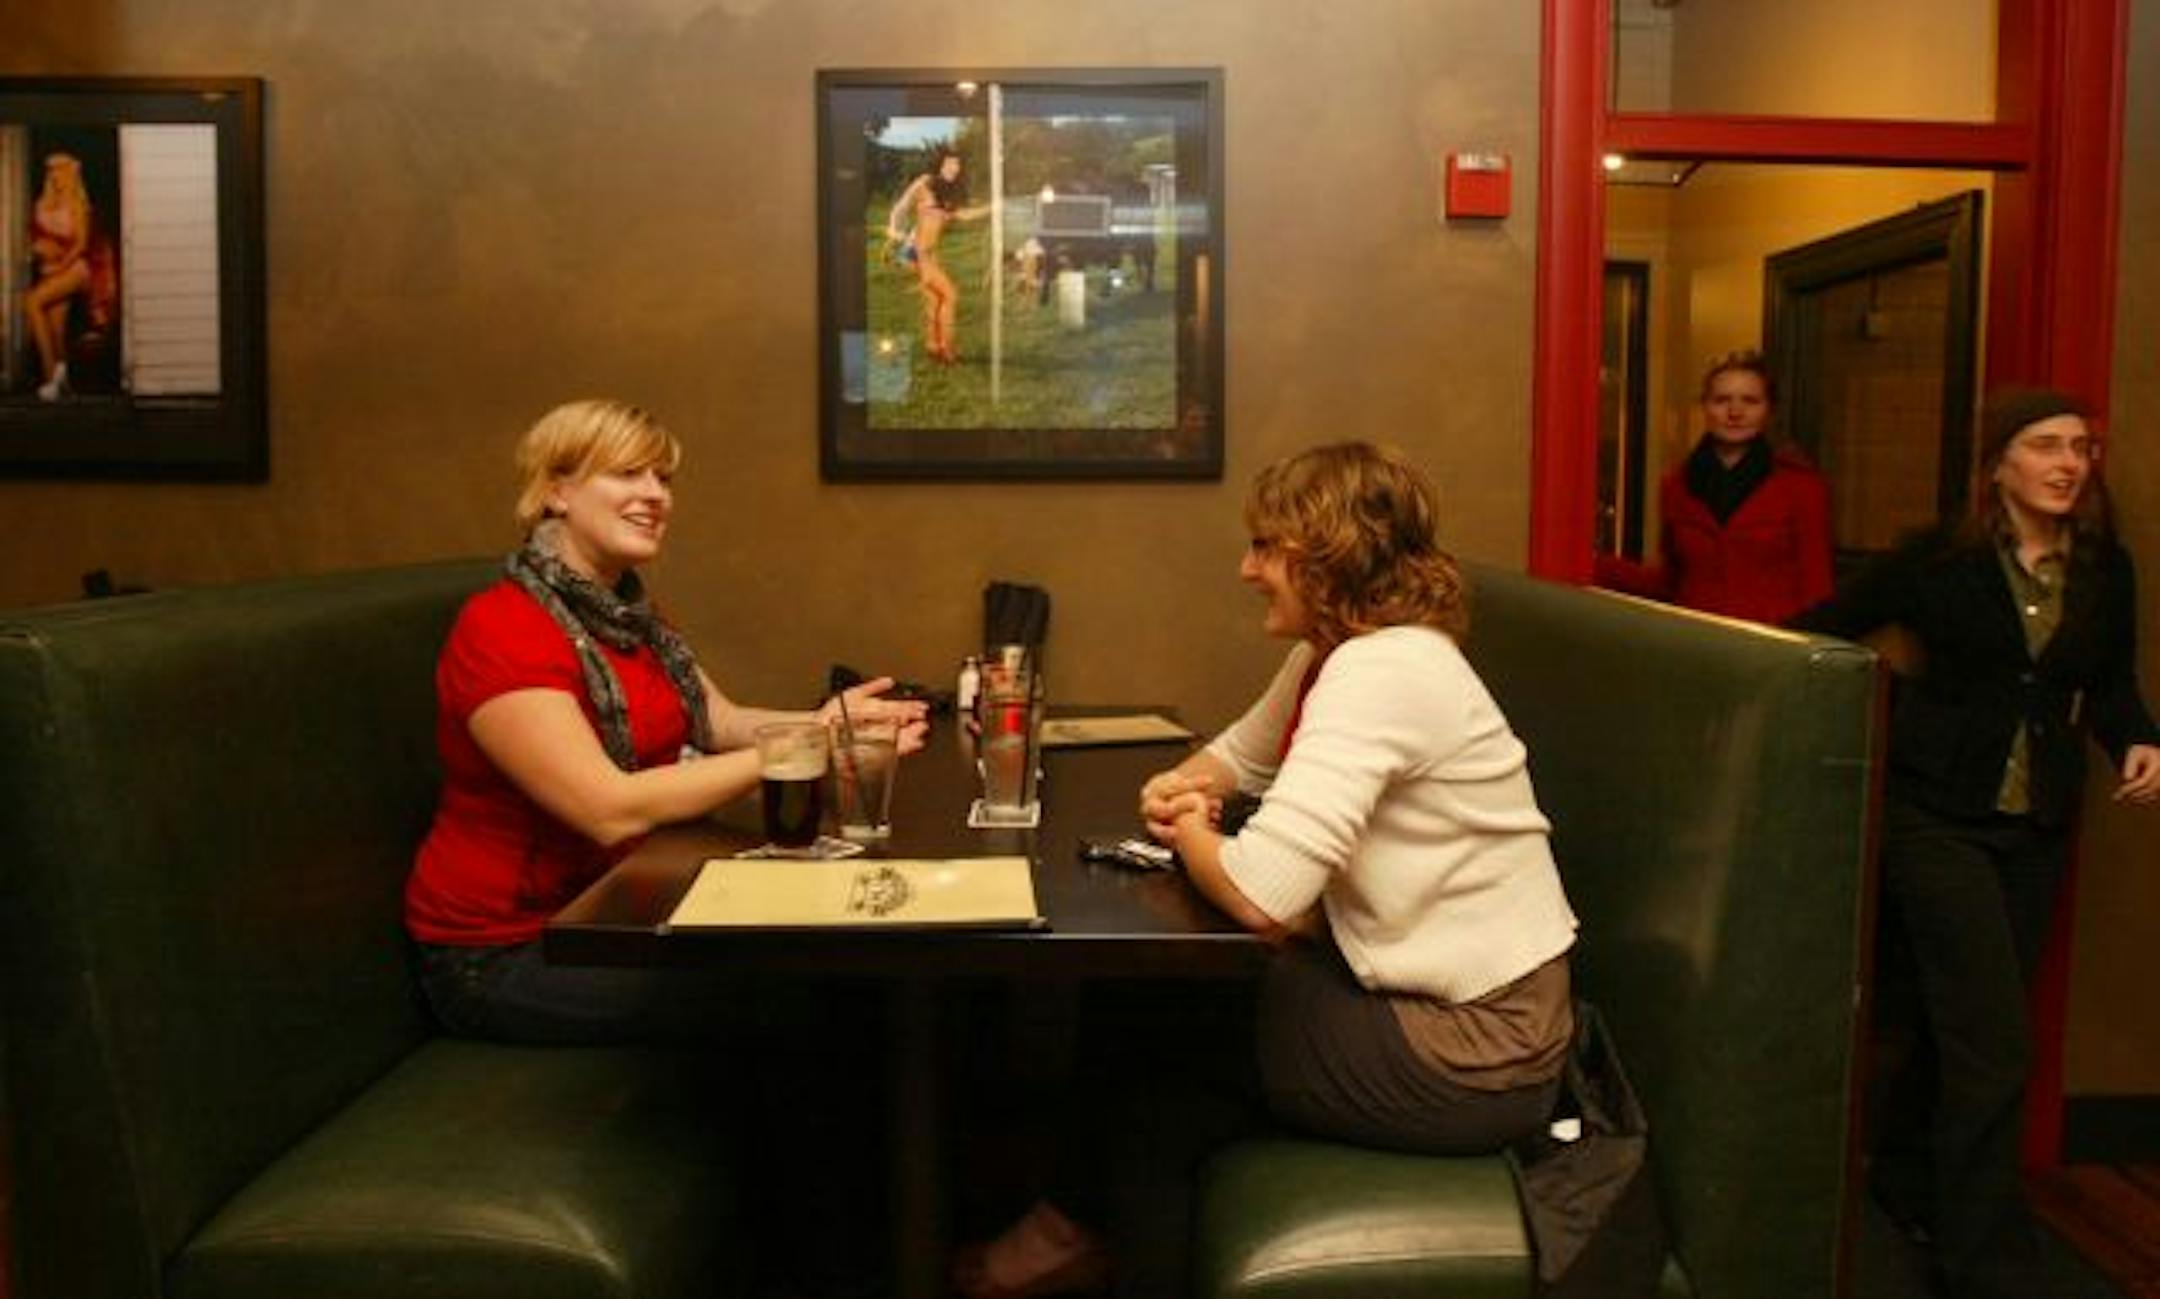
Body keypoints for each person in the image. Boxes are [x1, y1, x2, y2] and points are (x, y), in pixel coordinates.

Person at [959, 442, 1580, 1297]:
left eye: (1265, 546)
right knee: (1146, 1016)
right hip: (1435, 1009)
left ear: (1324, 560)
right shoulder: (1340, 651)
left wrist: (1188, 834)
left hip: (1477, 1054)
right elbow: (1240, 754)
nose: (1247, 568)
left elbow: (1262, 895)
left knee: (1155, 1036)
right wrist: (1187, 785)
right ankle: (1074, 1233)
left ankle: (1069, 1240)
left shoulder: (1382, 668)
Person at [403, 398, 927, 1298]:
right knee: (803, 1009)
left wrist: (825, 722)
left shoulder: (629, 618)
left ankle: (869, 1255)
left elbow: (717, 723)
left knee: (840, 989)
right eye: (627, 473)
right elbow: (606, 809)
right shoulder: (503, 629)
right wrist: (794, 754)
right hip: (503, 953)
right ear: (555, 490)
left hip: (614, 908)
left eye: (664, 477)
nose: (655, 494)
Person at [1795, 388, 2160, 1299]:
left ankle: (1907, 1179)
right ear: (1999, 464)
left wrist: (2143, 738)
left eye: (2080, 446)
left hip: (2038, 823)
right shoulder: (1938, 560)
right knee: (1996, 1044)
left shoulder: (2106, 569)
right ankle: (1986, 1263)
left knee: (1957, 1024)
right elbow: (1822, 630)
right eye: (2045, 445)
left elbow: (2111, 684)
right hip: (1936, 819)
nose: (2069, 462)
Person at [1597, 350, 1834, 623]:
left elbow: (1818, 589)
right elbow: (1671, 582)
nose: (1735, 412)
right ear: (1705, 407)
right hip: (1697, 642)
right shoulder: (1676, 486)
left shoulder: (1802, 488)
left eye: (1750, 401)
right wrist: (1594, 564)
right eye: (1721, 400)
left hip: (1772, 644)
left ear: (1768, 409)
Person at [22, 151, 113, 402]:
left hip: (75, 269)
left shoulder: (78, 203)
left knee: (31, 301)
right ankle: (64, 386)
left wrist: (59, 266)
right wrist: (38, 250)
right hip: (51, 268)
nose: (55, 175)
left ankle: (50, 377)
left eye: (60, 170)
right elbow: (35, 237)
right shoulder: (43, 202)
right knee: (55, 328)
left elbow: (81, 244)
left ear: (72, 173)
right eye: (51, 170)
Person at [885, 147, 988, 365]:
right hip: (917, 252)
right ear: (940, 165)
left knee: (935, 300)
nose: (954, 168)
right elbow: (901, 207)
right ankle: (948, 352)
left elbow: (964, 216)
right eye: (949, 163)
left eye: (958, 165)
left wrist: (993, 208)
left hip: (930, 253)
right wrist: (893, 230)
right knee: (951, 295)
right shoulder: (925, 183)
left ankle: (933, 347)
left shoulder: (948, 193)